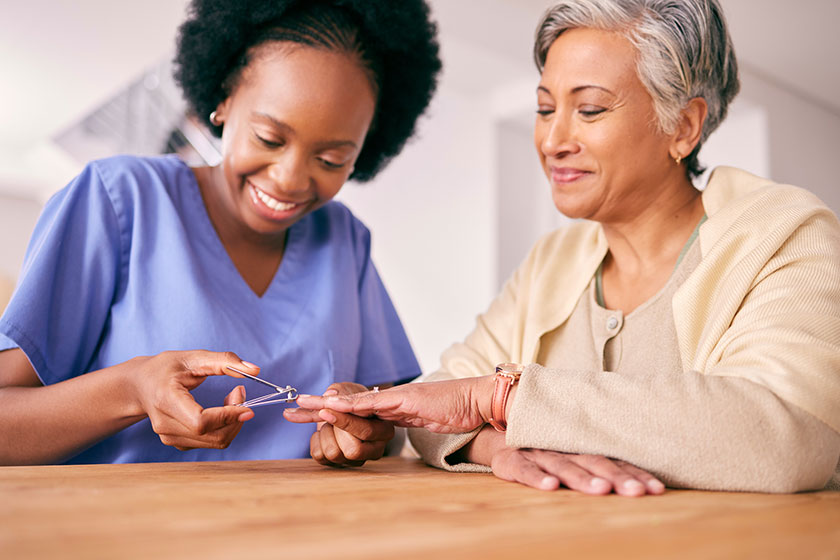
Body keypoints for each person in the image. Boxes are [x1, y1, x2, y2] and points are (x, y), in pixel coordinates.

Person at [291, 0, 840, 495]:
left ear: (684, 126)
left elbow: (787, 437)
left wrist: (501, 401)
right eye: (545, 108)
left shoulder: (784, 235)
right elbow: (434, 406)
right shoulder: (552, 262)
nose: (553, 141)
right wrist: (497, 445)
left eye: (591, 109)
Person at [0, 0, 441, 465]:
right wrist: (131, 389)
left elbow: (391, 430)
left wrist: (364, 430)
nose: (290, 180)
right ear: (223, 101)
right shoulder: (116, 199)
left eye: (331, 160)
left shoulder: (344, 239)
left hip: (310, 532)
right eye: (269, 139)